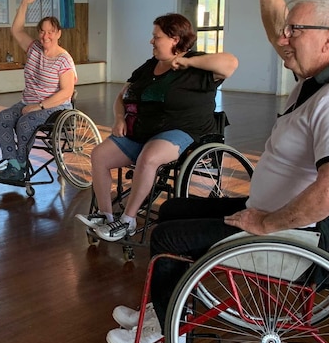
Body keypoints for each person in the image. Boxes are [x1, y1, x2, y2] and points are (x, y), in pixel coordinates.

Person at [106, 0, 329, 343]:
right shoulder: (318, 77)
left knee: (170, 235)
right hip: (280, 216)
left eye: (297, 31)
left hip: (302, 235)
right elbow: (276, 25)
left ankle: (166, 340)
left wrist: (265, 225)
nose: (283, 39)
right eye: (289, 29)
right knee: (173, 210)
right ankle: (167, 311)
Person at [75, 14, 238, 242]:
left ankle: (128, 221)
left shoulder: (197, 66)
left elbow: (231, 63)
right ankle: (106, 215)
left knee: (149, 157)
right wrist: (119, 118)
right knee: (100, 155)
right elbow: (123, 95)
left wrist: (188, 62)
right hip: (142, 130)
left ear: (174, 39)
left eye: (156, 37)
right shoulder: (149, 66)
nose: (151, 41)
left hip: (182, 131)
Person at [0, 0, 76, 182]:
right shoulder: (34, 48)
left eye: (51, 32)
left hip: (55, 107)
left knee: (25, 121)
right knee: (1, 118)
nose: (46, 36)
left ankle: (20, 165)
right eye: (42, 31)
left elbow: (66, 92)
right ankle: (13, 163)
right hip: (28, 102)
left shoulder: (63, 59)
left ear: (59, 33)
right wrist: (24, 3)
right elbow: (17, 29)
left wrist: (39, 106)